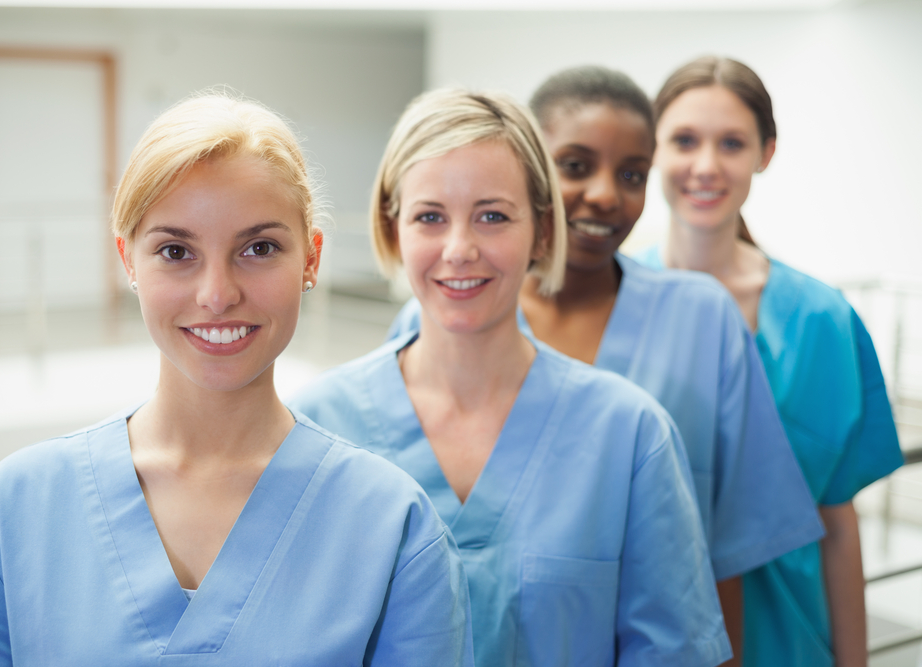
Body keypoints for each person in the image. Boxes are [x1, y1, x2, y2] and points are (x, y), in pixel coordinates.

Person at [0, 94, 473, 666]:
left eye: (259, 248)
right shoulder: (16, 509)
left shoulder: (391, 528)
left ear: (311, 259)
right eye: (176, 251)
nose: (217, 294)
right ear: (129, 260)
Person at [386, 67, 827, 664]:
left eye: (631, 175)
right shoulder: (433, 327)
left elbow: (719, 568)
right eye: (574, 165)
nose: (602, 193)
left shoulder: (668, 368)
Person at [291, 88, 731, 667]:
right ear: (392, 227)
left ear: (543, 231)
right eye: (429, 217)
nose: (459, 249)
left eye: (492, 216)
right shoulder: (317, 429)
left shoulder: (629, 437)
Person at [638, 56, 904, 667]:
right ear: (653, 150)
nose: (706, 165)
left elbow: (837, 522)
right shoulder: (614, 304)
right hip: (645, 633)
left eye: (731, 143)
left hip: (785, 637)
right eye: (684, 140)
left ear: (766, 152)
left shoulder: (821, 320)